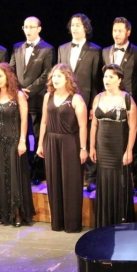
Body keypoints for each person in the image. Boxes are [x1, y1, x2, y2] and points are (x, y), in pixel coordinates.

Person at [36, 63, 88, 232]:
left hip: (70, 142)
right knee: (54, 180)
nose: (55, 79)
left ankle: (72, 224)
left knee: (70, 182)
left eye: (59, 76)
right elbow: (44, 122)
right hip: (51, 141)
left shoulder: (76, 99)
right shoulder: (48, 96)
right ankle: (57, 223)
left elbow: (83, 126)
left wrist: (83, 148)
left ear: (68, 78)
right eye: (54, 76)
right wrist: (40, 144)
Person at [58, 13, 102, 192]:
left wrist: (93, 106)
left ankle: (91, 177)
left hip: (85, 101)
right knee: (69, 137)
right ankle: (71, 174)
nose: (74, 28)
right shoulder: (62, 49)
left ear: (86, 28)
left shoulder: (95, 50)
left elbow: (96, 81)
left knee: (88, 138)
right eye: (72, 25)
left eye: (78, 25)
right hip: (65, 101)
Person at [90, 64, 137, 227]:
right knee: (104, 181)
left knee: (119, 184)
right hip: (102, 148)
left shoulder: (127, 99)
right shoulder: (98, 98)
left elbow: (133, 127)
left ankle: (120, 224)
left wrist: (129, 150)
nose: (107, 80)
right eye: (105, 76)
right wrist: (92, 147)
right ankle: (105, 223)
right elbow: (94, 125)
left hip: (119, 148)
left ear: (119, 79)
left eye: (111, 76)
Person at [0, 63, 34, 227]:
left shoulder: (18, 95)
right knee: (1, 175)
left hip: (14, 140)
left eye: (0, 76)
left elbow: (24, 119)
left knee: (14, 176)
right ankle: (3, 212)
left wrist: (22, 140)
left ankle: (17, 213)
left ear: (8, 76)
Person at [10, 16, 55, 184]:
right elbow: (10, 70)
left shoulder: (47, 49)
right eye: (26, 27)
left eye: (31, 27)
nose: (28, 30)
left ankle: (37, 172)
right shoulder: (17, 47)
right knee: (20, 135)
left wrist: (29, 90)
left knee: (37, 137)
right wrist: (18, 89)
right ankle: (23, 170)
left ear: (39, 29)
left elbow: (47, 74)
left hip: (37, 99)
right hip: (18, 98)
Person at [102, 17, 137, 195]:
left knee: (133, 141)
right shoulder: (105, 51)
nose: (116, 34)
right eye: (114, 30)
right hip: (111, 103)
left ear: (128, 32)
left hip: (130, 103)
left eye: (120, 31)